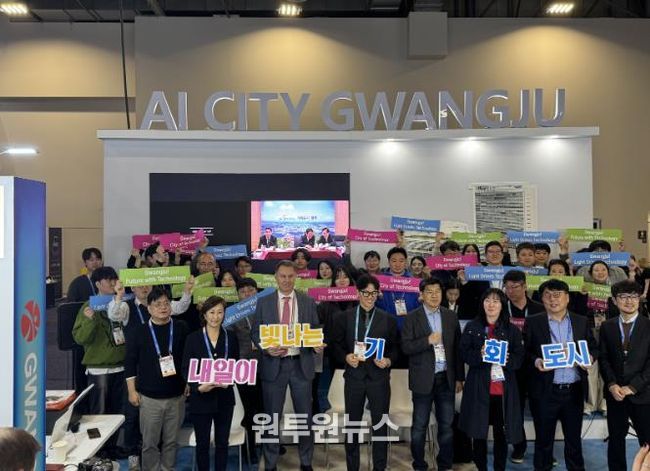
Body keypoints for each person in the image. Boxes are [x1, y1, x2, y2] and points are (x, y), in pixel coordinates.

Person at [251, 260, 324, 471]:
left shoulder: (307, 302)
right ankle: (271, 463)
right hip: (274, 365)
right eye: (282, 276)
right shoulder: (264, 302)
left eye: (290, 276)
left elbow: (315, 329)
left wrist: (316, 344)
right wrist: (266, 348)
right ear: (276, 277)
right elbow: (255, 333)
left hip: (301, 364)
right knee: (271, 417)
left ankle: (306, 462)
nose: (286, 280)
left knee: (305, 417)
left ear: (296, 277)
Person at [525, 279, 597, 471]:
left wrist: (590, 357)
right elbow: (526, 352)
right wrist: (536, 361)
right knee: (543, 440)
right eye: (547, 295)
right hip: (545, 390)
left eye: (557, 295)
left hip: (573, 390)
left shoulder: (581, 321)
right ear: (542, 299)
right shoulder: (533, 321)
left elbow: (593, 347)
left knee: (574, 440)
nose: (552, 299)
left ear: (567, 298)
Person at [331, 275, 399, 471]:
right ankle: (353, 467)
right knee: (352, 426)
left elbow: (396, 348)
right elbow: (335, 345)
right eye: (366, 293)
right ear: (357, 293)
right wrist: (345, 357)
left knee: (380, 425)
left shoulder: (388, 319)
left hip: (379, 379)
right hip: (354, 378)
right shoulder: (344, 317)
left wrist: (388, 360)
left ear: (378, 294)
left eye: (373, 293)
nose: (370, 297)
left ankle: (379, 467)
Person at [401, 278, 464, 471]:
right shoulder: (412, 317)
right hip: (422, 379)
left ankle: (445, 464)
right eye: (429, 291)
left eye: (437, 291)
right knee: (419, 426)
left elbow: (457, 349)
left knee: (446, 426)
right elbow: (406, 347)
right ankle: (419, 464)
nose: (434, 295)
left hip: (446, 378)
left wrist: (459, 377)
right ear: (421, 295)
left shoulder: (450, 316)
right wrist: (427, 341)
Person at [459, 288, 524, 471]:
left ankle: (499, 468)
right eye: (487, 300)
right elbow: (463, 353)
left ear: (502, 305)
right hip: (479, 388)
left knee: (501, 434)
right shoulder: (472, 327)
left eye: (496, 301)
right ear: (482, 304)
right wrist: (479, 355)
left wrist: (508, 359)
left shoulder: (512, 330)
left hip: (503, 390)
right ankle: (481, 468)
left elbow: (520, 358)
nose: (491, 304)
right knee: (478, 433)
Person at [125, 287, 190, 470]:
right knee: (149, 443)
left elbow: (189, 358)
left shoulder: (181, 328)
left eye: (166, 303)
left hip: (176, 396)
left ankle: (168, 468)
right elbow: (130, 363)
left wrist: (188, 381)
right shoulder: (139, 331)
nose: (163, 307)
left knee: (171, 441)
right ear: (149, 308)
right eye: (158, 304)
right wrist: (131, 391)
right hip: (149, 398)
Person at [182, 296, 240, 471]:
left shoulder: (231, 337)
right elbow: (186, 368)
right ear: (205, 315)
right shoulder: (193, 338)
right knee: (202, 444)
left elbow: (237, 364)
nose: (216, 317)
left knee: (222, 443)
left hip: (224, 398)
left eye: (220, 312)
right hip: (201, 399)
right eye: (212, 312)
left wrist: (230, 380)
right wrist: (198, 387)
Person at [599, 280, 650, 471]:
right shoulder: (607, 326)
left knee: (647, 442)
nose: (629, 301)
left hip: (643, 394)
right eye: (623, 297)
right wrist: (612, 384)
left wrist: (634, 386)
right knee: (616, 439)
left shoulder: (648, 325)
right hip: (616, 394)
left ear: (639, 299)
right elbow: (604, 358)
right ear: (614, 300)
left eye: (634, 296)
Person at [502, 269, 545, 464]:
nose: (510, 291)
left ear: (525, 286)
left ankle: (544, 450)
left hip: (536, 366)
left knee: (540, 411)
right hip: (512, 367)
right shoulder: (502, 308)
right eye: (507, 287)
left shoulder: (539, 308)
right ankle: (519, 447)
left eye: (515, 287)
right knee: (515, 410)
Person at [231, 277, 263, 464]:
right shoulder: (233, 314)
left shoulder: (267, 309)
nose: (247, 294)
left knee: (267, 407)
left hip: (266, 364)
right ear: (238, 295)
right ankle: (248, 447)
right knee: (248, 410)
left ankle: (268, 442)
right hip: (244, 367)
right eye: (243, 292)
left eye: (251, 290)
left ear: (257, 292)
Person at [375, 247, 421, 330]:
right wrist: (379, 298)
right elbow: (376, 307)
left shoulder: (414, 282)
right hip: (385, 325)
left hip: (408, 326)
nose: (397, 264)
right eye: (394, 261)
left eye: (401, 261)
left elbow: (417, 307)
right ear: (388, 262)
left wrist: (419, 301)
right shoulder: (380, 281)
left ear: (406, 262)